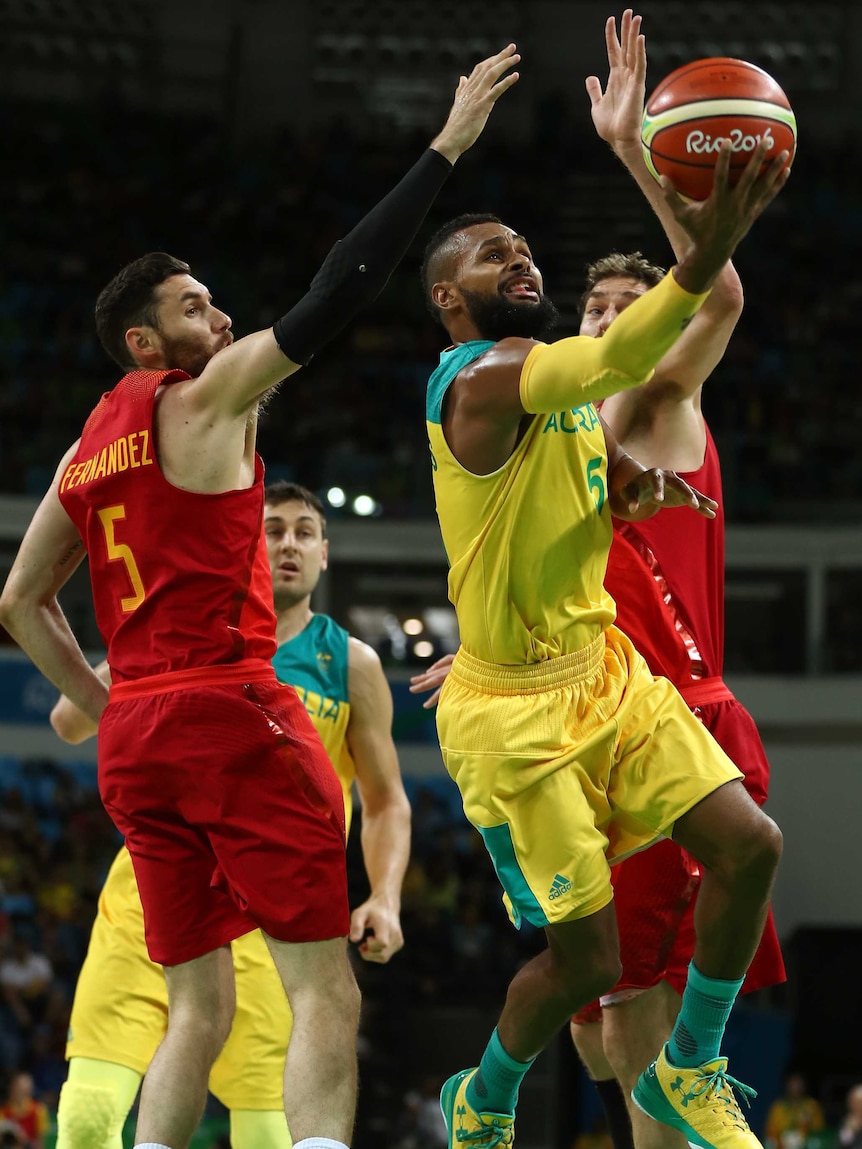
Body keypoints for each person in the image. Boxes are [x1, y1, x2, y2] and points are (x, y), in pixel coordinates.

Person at [0, 45, 519, 1149]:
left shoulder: (82, 451)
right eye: (195, 307)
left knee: (197, 1005)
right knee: (322, 989)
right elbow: (343, 284)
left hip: (137, 738)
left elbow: (19, 602)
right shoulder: (204, 396)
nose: (220, 317)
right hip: (235, 707)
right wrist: (444, 148)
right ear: (149, 344)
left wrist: (105, 702)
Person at [416, 13, 790, 1147]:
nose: (518, 258)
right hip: (524, 721)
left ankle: (692, 1066)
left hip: (617, 681)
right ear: (450, 299)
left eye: (524, 245)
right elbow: (637, 348)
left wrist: (632, 496)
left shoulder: (583, 414)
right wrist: (699, 241)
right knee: (588, 970)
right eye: (493, 255)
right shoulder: (486, 377)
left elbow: (603, 452)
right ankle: (481, 1093)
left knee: (751, 851)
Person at [564, 13, 787, 1149]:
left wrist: (633, 153)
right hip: (568, 725)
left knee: (648, 1005)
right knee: (593, 1007)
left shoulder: (659, 406)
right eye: (592, 311)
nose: (608, 320)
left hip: (671, 726)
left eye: (624, 309)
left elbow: (719, 297)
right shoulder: (551, 443)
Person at [47, 480, 411, 1149]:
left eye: (305, 531)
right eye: (272, 529)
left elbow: (386, 800)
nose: (288, 544)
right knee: (88, 1118)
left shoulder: (349, 664)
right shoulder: (179, 632)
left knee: (272, 1134)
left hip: (272, 923)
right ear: (245, 539)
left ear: (326, 553)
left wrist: (384, 896)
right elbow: (69, 721)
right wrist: (137, 661)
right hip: (149, 903)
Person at [764, 1072, 825, 1149]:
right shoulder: (778, 1107)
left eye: (798, 1084)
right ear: (787, 1085)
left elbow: (819, 1130)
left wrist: (806, 1128)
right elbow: (770, 1131)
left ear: (804, 1086)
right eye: (793, 1084)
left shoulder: (811, 1106)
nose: (796, 1087)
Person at [0, 1073, 49, 1149]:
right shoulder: (2, 1111)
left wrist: (23, 1140)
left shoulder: (38, 1111)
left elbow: (40, 1144)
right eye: (20, 1088)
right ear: (11, 1088)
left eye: (27, 1089)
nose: (23, 1092)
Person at [840, 1084, 862, 1149]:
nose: (856, 1107)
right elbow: (841, 1146)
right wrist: (849, 1131)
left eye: (859, 1103)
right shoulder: (847, 1121)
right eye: (853, 1103)